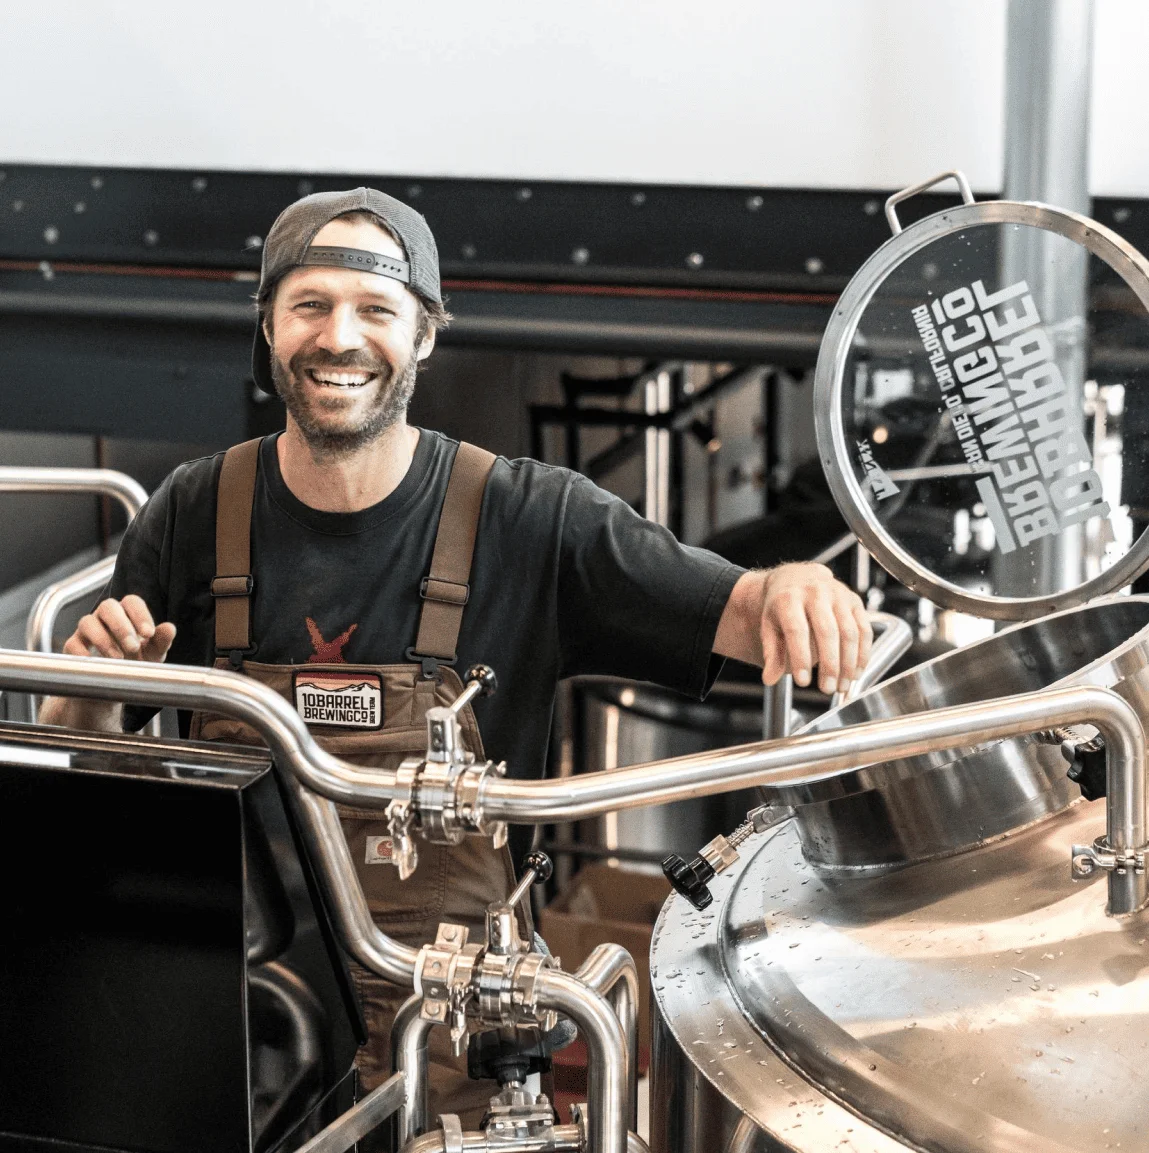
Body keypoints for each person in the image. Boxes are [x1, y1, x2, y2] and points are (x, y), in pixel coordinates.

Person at [40, 187, 870, 1123]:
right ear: (268, 325)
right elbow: (89, 762)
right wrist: (92, 697)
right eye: (308, 305)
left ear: (425, 334)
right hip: (242, 1025)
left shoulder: (531, 518)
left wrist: (794, 586)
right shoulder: (193, 513)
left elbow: (743, 610)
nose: (338, 338)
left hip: (458, 1034)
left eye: (374, 310)